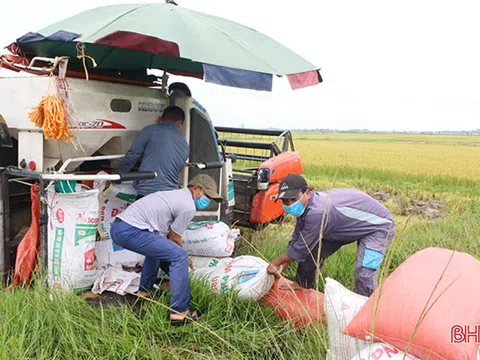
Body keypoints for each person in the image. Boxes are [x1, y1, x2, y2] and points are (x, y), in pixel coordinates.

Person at [110, 174, 223, 326]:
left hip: (119, 227)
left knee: (157, 250)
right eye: (207, 195)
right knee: (179, 256)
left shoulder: (176, 194)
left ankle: (144, 293)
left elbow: (167, 237)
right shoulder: (188, 206)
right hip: (131, 230)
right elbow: (175, 237)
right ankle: (180, 312)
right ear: (196, 189)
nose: (208, 201)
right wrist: (185, 260)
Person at [266, 174, 396, 297]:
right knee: (312, 253)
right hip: (342, 226)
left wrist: (276, 263)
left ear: (307, 193)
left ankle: (370, 309)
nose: (290, 205)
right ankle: (302, 285)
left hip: (379, 227)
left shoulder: (317, 212)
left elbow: (300, 248)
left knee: (364, 273)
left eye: (293, 199)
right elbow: (298, 239)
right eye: (285, 201)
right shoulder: (306, 207)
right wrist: (283, 265)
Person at [116, 105, 190, 200]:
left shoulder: (150, 130)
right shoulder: (185, 145)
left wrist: (118, 176)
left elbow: (132, 155)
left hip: (147, 193)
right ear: (179, 123)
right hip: (170, 196)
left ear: (160, 118)